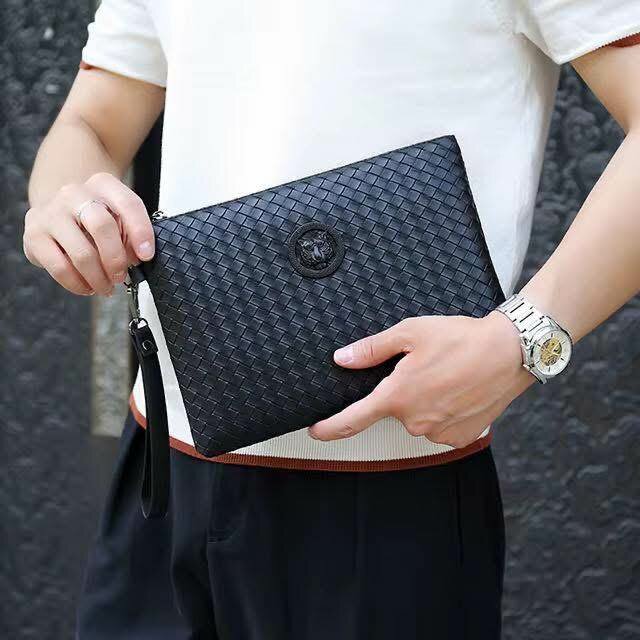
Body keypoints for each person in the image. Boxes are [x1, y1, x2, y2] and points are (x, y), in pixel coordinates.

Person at [24, 1, 640, 638]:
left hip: (389, 484)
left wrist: (525, 338)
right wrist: (61, 202)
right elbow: (92, 122)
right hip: (164, 460)